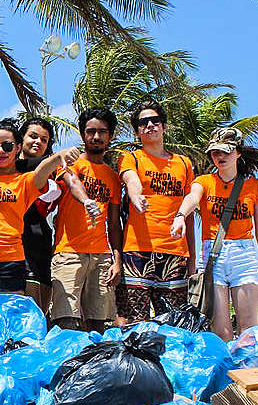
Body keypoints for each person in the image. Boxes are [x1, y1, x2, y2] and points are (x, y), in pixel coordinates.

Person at [171, 127, 258, 341]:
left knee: (249, 330)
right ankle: (227, 373)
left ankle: (247, 373)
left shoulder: (254, 186)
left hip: (244, 255)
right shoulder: (204, 182)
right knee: (221, 332)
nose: (220, 157)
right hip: (213, 255)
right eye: (215, 152)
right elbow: (192, 197)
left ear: (238, 153)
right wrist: (180, 215)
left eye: (226, 152)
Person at [0, 118, 76, 300]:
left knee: (5, 321)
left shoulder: (24, 181)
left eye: (7, 146)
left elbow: (41, 172)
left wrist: (58, 158)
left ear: (18, 147)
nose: (1, 151)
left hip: (9, 263)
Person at [118, 100, 196, 322]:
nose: (150, 125)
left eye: (155, 121)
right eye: (144, 122)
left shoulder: (184, 163)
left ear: (164, 127)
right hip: (136, 251)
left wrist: (191, 262)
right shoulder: (131, 157)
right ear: (136, 131)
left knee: (175, 323)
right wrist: (135, 196)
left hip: (175, 253)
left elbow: (189, 211)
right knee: (134, 322)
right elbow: (130, 179)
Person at [50, 107, 123, 331]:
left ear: (110, 136)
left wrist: (117, 260)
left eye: (102, 132)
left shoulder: (112, 177)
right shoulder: (69, 164)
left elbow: (114, 223)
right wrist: (86, 202)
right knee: (66, 322)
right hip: (68, 253)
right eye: (91, 131)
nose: (96, 137)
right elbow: (73, 183)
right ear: (83, 134)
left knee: (100, 323)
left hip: (102, 257)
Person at [15, 117, 58, 313]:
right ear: (21, 138)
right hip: (17, 244)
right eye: (33, 136)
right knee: (26, 309)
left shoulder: (52, 171)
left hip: (42, 242)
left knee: (42, 310)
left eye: (44, 139)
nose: (38, 142)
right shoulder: (9, 167)